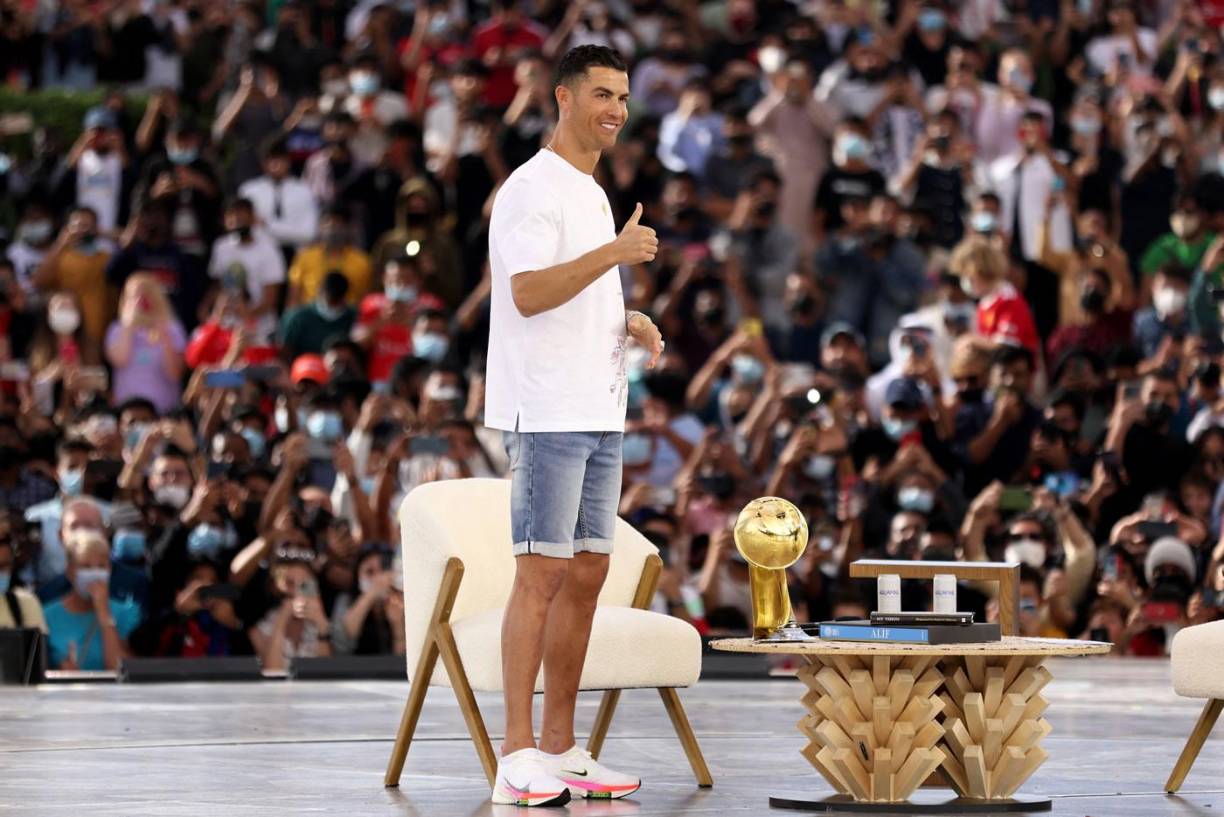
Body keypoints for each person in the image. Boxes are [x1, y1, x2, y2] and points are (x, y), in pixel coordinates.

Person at [484, 45, 662, 805]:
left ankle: (559, 748)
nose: (615, 108)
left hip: (600, 409)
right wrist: (617, 252)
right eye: (601, 93)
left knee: (587, 576)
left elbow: (574, 295)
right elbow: (525, 292)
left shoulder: (589, 190)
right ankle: (515, 754)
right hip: (549, 412)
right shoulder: (532, 188)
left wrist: (628, 320)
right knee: (541, 577)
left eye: (622, 95)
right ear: (561, 97)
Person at [42, 530, 140, 671]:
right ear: (70, 571)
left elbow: (120, 669)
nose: (94, 574)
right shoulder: (47, 616)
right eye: (86, 566)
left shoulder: (127, 612)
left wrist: (104, 614)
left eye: (101, 566)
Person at [105, 273, 187, 414]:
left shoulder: (173, 328)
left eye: (146, 294)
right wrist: (128, 326)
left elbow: (175, 372)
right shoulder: (117, 329)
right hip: (128, 411)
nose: (140, 301)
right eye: (134, 296)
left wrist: (164, 336)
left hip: (164, 411)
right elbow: (120, 359)